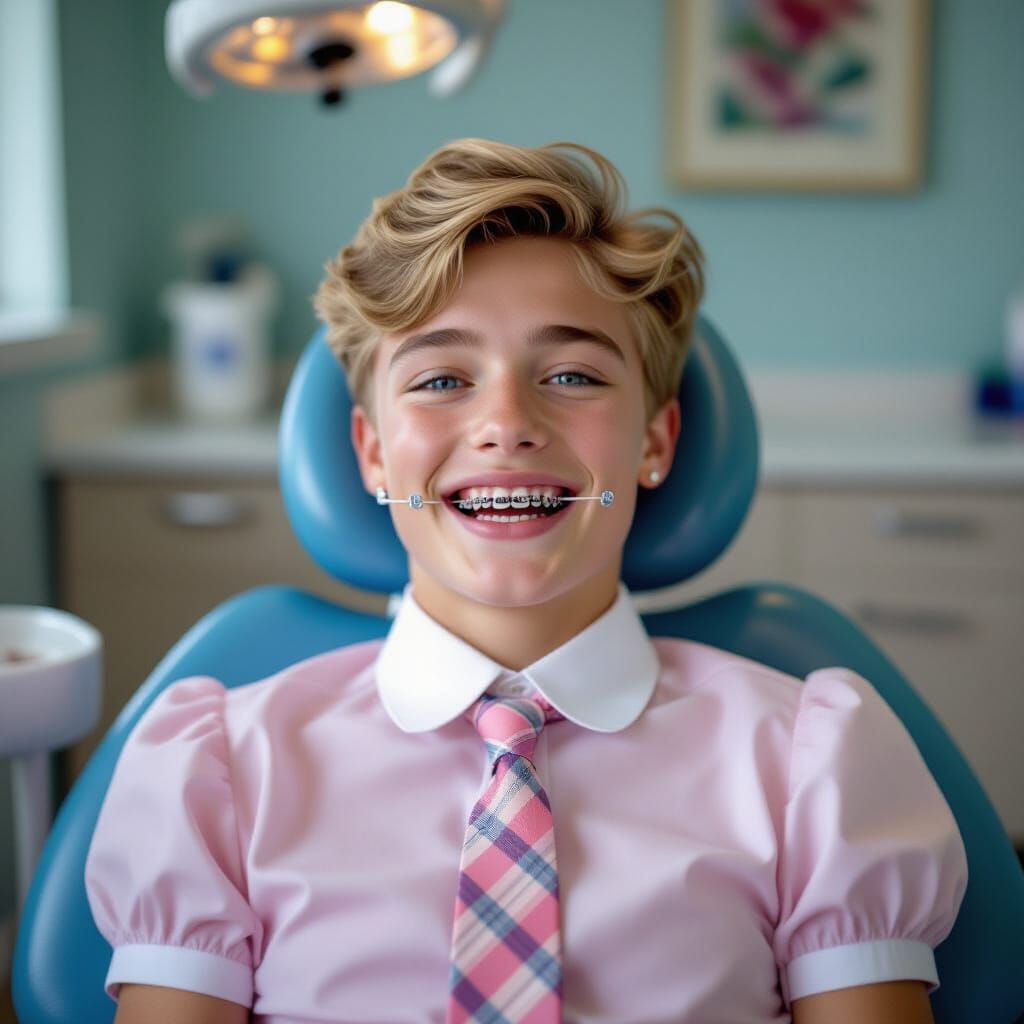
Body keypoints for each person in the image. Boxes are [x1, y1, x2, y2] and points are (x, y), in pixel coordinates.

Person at [85, 138, 968, 1024]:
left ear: (655, 443)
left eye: (573, 374)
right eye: (440, 378)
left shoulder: (809, 768)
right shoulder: (221, 774)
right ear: (373, 451)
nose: (507, 423)